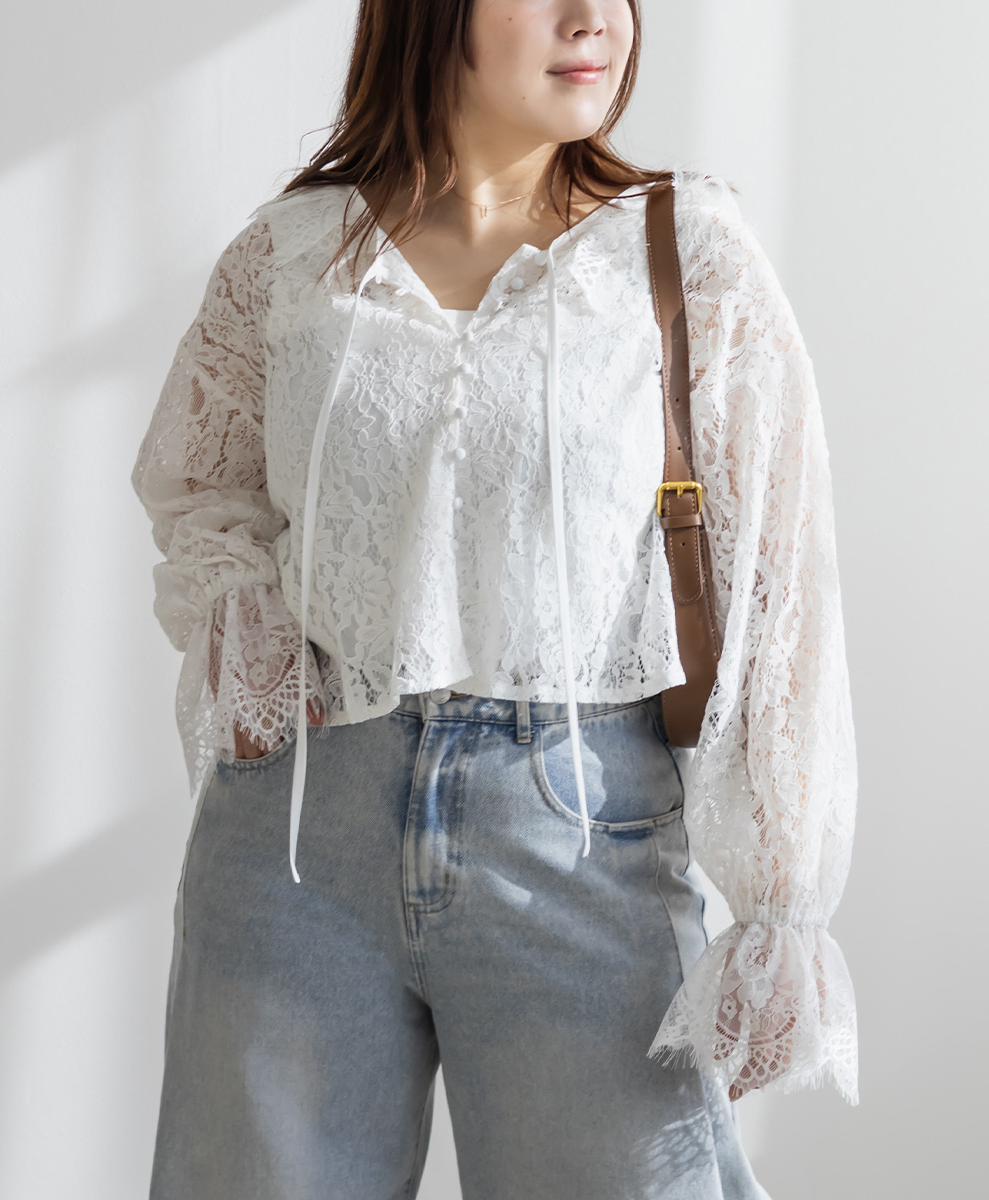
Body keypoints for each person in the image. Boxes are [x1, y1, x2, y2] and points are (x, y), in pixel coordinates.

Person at [130, 1, 859, 1196]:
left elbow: (779, 587)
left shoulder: (684, 250)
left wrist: (781, 900)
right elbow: (200, 480)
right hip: (298, 834)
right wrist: (243, 620)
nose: (593, 21)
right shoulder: (292, 253)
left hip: (579, 829)